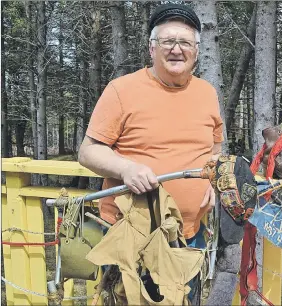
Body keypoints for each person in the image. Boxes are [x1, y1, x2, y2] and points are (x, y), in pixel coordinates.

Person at [78, 3, 223, 249]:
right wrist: (126, 169)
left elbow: (215, 151)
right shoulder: (122, 90)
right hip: (128, 233)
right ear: (152, 48)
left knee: (188, 290)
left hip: (188, 235)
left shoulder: (207, 93)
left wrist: (214, 181)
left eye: (186, 43)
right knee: (122, 290)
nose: (177, 49)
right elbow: (88, 152)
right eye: (168, 41)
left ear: (196, 51)